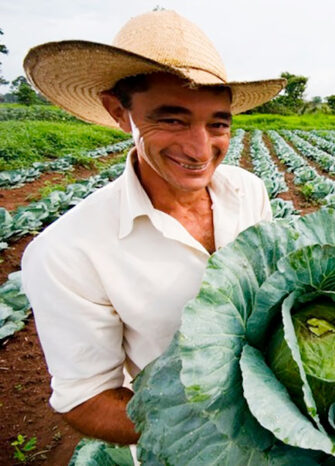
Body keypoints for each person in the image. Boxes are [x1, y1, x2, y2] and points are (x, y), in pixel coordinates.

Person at [20, 10, 285, 444]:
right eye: (172, 120)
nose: (200, 149)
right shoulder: (67, 252)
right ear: (118, 112)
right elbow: (86, 400)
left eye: (217, 123)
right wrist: (217, 432)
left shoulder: (249, 191)